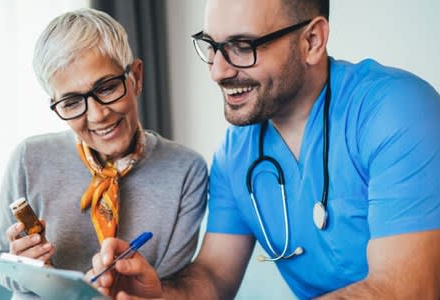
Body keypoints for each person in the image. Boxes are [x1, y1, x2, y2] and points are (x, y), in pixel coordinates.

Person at [89, 0, 440, 299]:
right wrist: (159, 294)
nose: (217, 71)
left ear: (312, 41)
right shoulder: (236, 152)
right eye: (212, 45)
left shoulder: (395, 109)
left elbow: (409, 288)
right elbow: (213, 276)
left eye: (243, 46)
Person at [0, 8, 208, 299]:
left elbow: (167, 287)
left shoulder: (186, 171)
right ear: (57, 106)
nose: (97, 114)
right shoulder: (28, 159)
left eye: (106, 88)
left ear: (136, 78)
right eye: (71, 102)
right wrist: (23, 268)